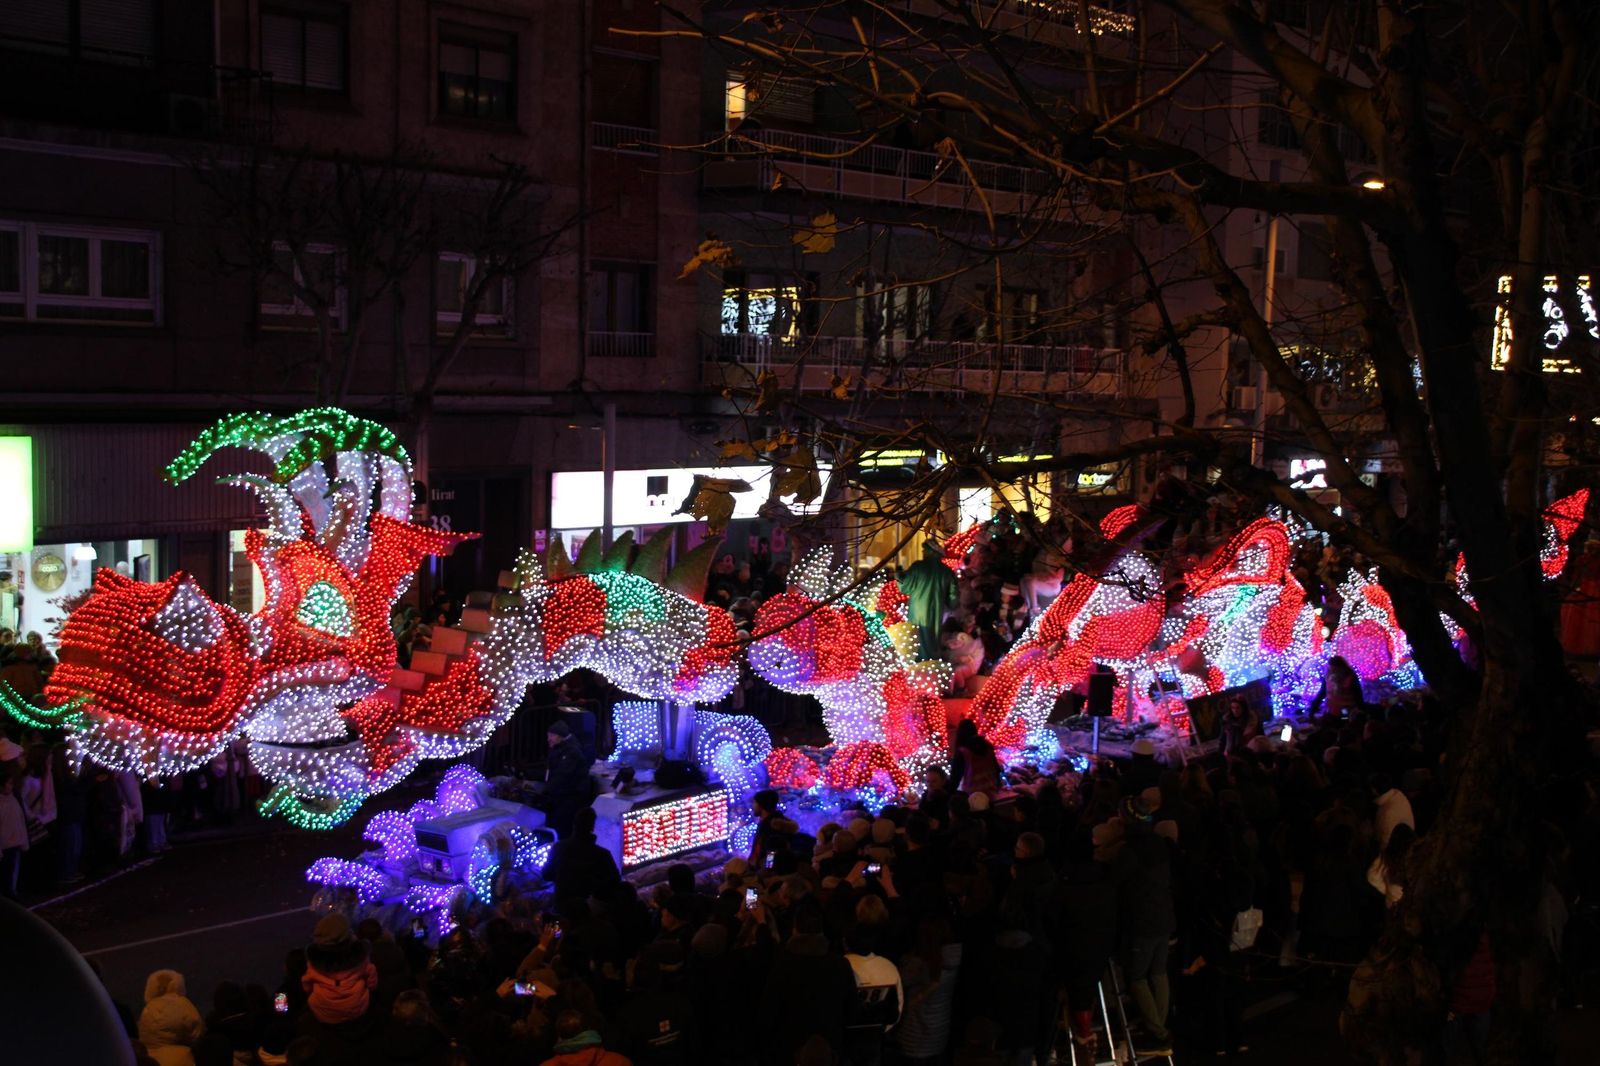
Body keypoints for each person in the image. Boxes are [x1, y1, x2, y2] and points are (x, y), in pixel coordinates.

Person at [542, 806, 621, 919]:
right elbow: (615, 881)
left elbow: (546, 874)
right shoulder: (602, 855)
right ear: (593, 827)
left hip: (561, 910)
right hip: (588, 914)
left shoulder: (558, 848)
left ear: (574, 824)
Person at [541, 719, 592, 835]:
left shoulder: (571, 752)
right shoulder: (558, 748)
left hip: (571, 796)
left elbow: (562, 775)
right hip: (562, 794)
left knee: (562, 825)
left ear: (561, 736)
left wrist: (545, 790)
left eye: (552, 736)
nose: (549, 739)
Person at [748, 789, 799, 868]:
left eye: (755, 802)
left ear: (761, 805)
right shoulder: (765, 823)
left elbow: (772, 850)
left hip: (768, 872)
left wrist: (768, 869)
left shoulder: (773, 825)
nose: (753, 806)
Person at [949, 720, 1001, 796]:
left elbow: (955, 779)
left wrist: (950, 796)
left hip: (973, 796)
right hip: (991, 791)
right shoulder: (988, 745)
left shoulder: (963, 752)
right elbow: (996, 769)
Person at [0, 770, 29, 898]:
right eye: (9, 783)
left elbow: (20, 821)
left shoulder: (14, 800)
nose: (11, 786)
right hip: (4, 845)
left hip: (15, 843)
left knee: (12, 873)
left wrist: (24, 841)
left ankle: (12, 893)